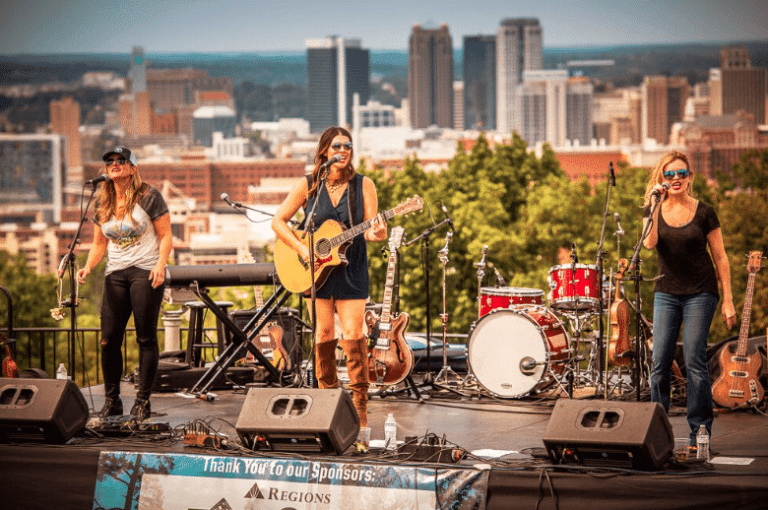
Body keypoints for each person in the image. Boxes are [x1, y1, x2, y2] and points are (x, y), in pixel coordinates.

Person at [272, 126, 387, 429]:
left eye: (348, 146)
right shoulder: (310, 184)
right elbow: (278, 221)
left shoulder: (363, 185)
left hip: (351, 267)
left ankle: (360, 411)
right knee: (323, 334)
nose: (343, 151)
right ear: (325, 151)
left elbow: (372, 231)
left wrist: (378, 233)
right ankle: (329, 407)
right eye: (337, 146)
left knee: (353, 334)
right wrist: (300, 247)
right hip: (317, 270)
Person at [642, 150, 736, 448]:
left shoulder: (705, 212)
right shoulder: (653, 209)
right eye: (669, 174)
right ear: (662, 178)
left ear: (689, 177)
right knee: (660, 362)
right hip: (666, 293)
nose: (676, 178)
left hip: (700, 292)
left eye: (681, 173)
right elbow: (649, 244)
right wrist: (654, 205)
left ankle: (700, 431)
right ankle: (657, 431)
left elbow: (720, 257)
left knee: (695, 360)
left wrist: (728, 299)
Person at [77, 147, 172, 421]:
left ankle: (142, 402)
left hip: (145, 271)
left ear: (132, 168)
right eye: (110, 161)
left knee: (145, 337)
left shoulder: (149, 196)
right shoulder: (103, 203)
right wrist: (88, 267)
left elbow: (165, 235)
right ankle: (112, 400)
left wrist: (160, 264)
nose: (115, 164)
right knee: (108, 339)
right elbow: (99, 243)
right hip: (115, 274)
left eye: (121, 160)